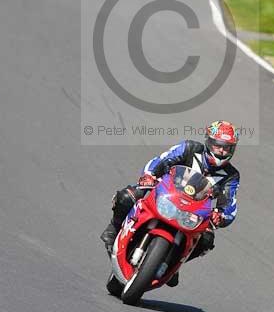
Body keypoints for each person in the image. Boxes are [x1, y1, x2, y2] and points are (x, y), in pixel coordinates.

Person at [100, 121, 240, 286]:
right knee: (127, 196)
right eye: (218, 146)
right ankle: (113, 229)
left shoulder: (231, 175)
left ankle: (174, 262)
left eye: (227, 148)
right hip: (165, 195)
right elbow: (161, 160)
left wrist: (221, 216)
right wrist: (150, 175)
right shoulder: (189, 148)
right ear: (209, 142)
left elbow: (230, 203)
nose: (222, 151)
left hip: (192, 213)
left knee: (207, 239)